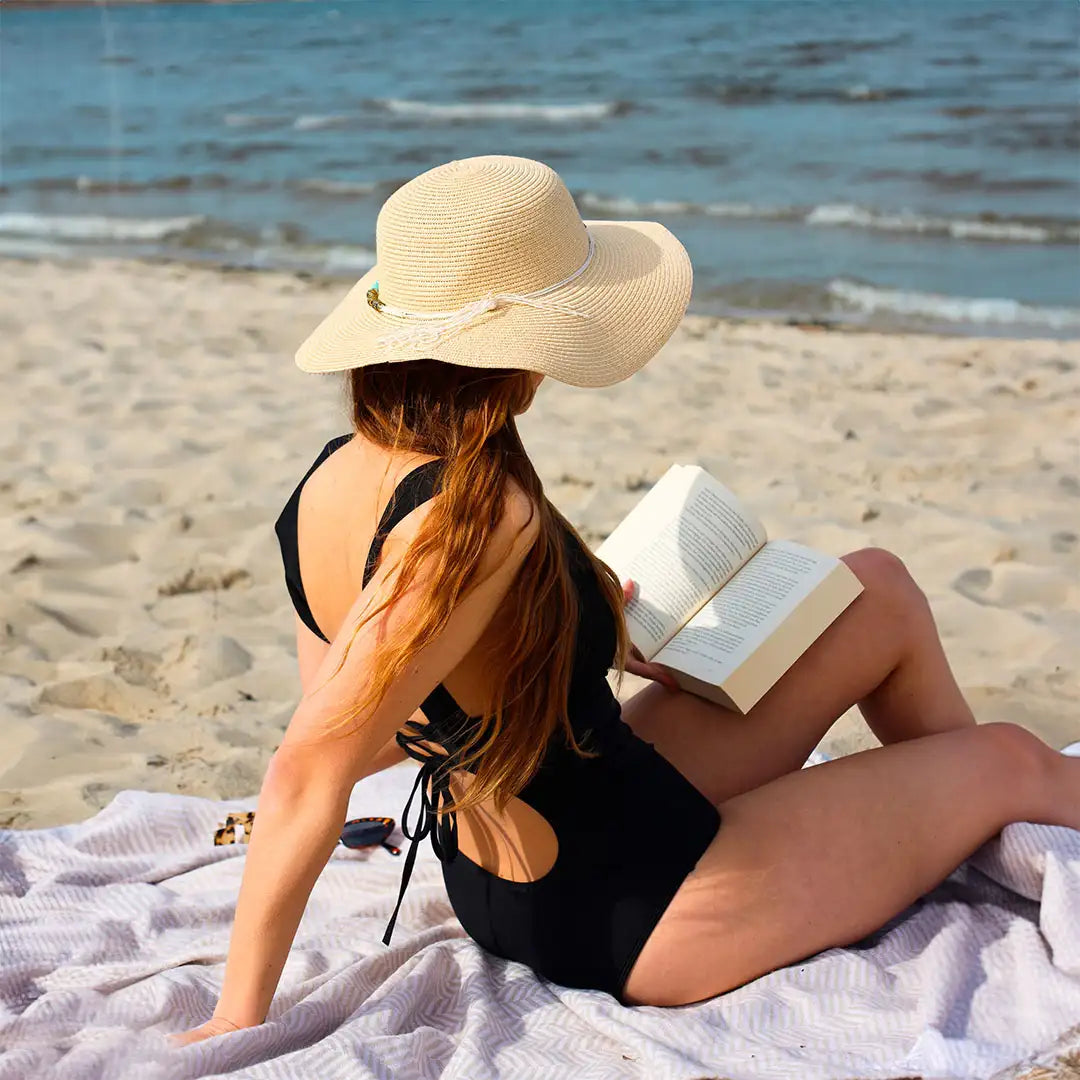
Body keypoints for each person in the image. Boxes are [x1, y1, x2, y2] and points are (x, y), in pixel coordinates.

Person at [172, 155, 1080, 1044]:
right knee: (1009, 756)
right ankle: (986, 802)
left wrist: (573, 624)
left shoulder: (333, 477)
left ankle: (964, 825)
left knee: (873, 586)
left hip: (511, 867)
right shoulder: (478, 516)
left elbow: (374, 702)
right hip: (640, 904)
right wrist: (235, 1017)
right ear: (520, 348)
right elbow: (310, 766)